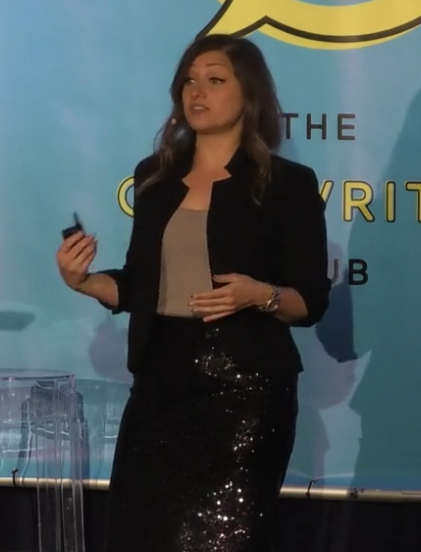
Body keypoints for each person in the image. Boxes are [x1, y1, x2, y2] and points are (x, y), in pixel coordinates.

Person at [56, 33, 330, 552]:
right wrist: (83, 280)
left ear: (249, 94)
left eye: (215, 80)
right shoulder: (155, 176)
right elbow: (139, 283)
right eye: (188, 81)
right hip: (159, 387)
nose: (197, 92)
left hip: (244, 394)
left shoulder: (287, 183)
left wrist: (259, 295)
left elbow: (310, 302)